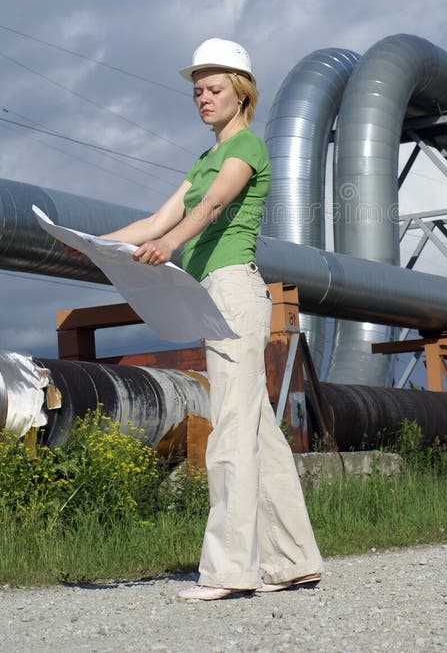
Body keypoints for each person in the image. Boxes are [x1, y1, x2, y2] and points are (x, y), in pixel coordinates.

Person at [100, 38, 322, 601]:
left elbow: (213, 207)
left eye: (213, 88)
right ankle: (293, 560)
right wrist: (91, 245)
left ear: (240, 92)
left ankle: (229, 571)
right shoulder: (202, 160)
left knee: (228, 427)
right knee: (256, 429)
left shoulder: (247, 146)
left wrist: (173, 243)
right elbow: (154, 220)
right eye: (197, 90)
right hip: (214, 296)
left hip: (235, 292)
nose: (202, 97)